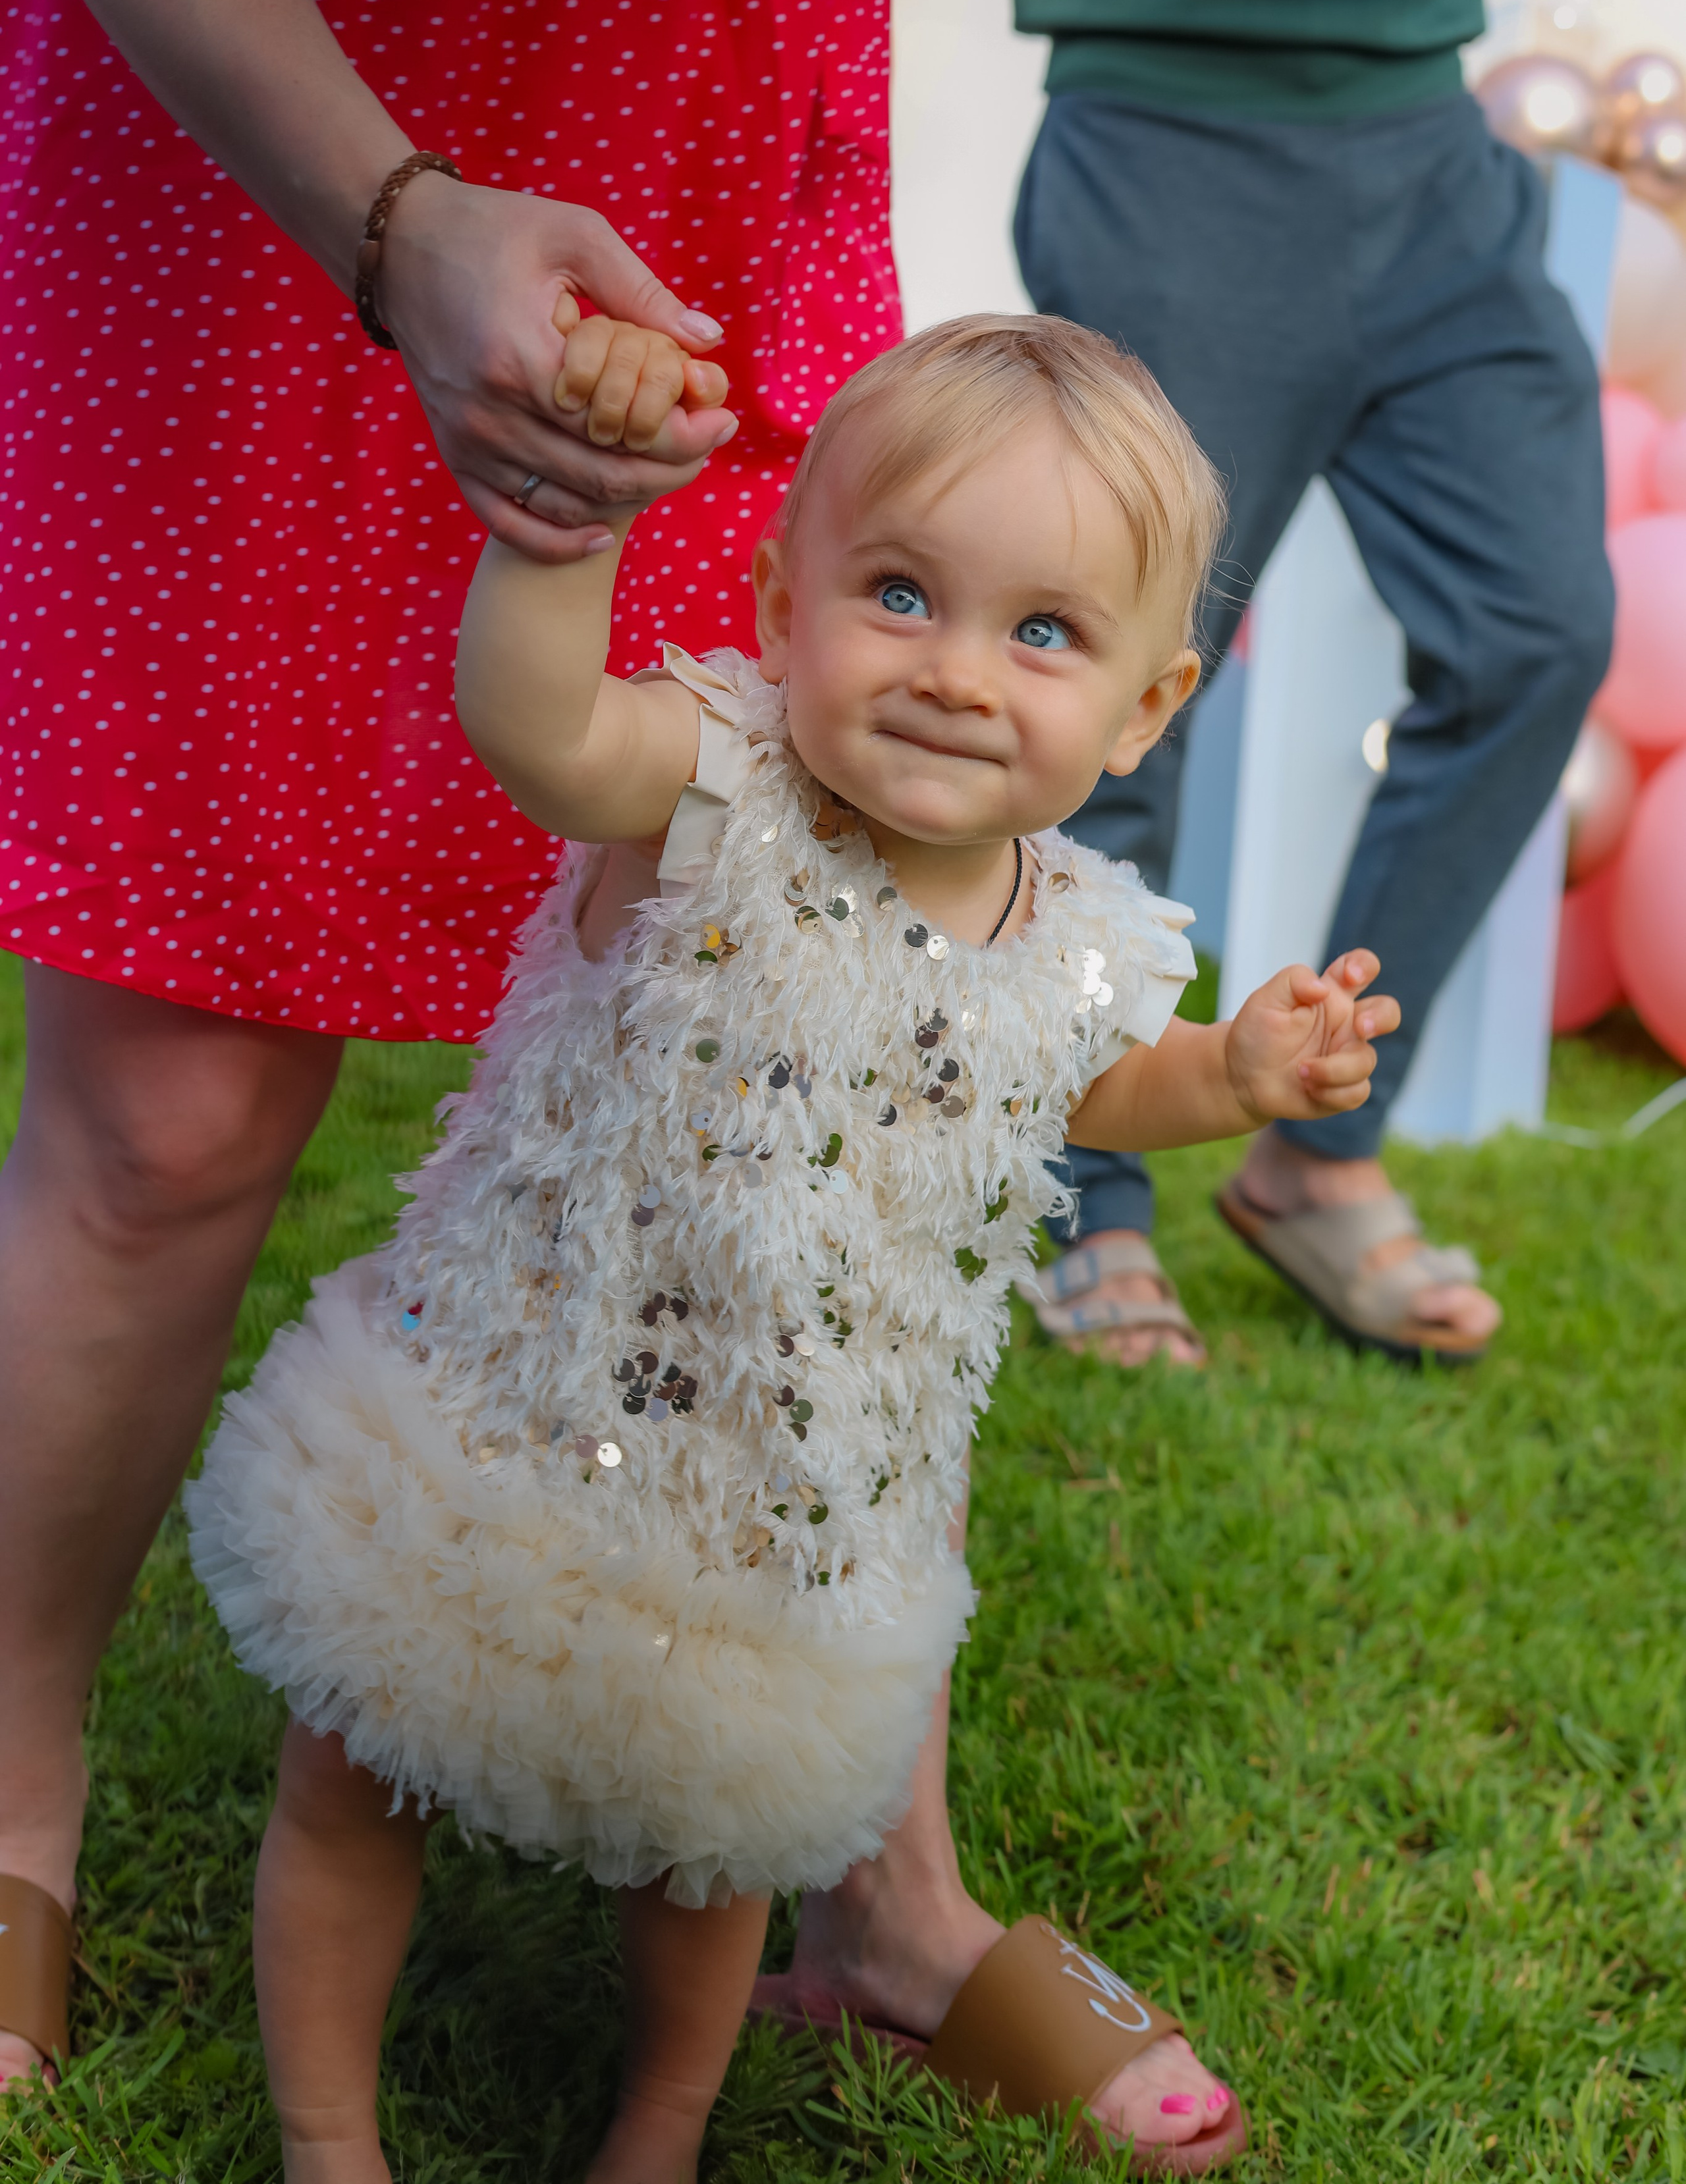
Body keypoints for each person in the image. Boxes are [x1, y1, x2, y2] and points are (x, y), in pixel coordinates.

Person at [0, 0, 1349, 2105]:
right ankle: (7, 1805)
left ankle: (883, 1891)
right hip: (282, 92)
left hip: (717, 165)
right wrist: (392, 223)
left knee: (837, 1061)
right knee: (171, 1112)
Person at [185, 309, 1399, 2181]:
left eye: (1045, 633)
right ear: (778, 597)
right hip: (503, 1409)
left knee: (711, 1856)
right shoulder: (709, 785)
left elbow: (1095, 1087)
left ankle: (658, 2128)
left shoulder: (1075, 935)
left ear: (1149, 708)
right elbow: (539, 732)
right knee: (355, 1781)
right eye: (900, 593)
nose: (957, 675)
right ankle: (325, 2139)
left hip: (784, 1506)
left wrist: (1233, 1070)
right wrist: (552, 549)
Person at [927, 0, 1614, 1368]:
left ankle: (1319, 1151)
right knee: (1122, 690)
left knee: (1541, 627)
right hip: (1165, 136)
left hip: (1428, 138)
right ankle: (1086, 1179)